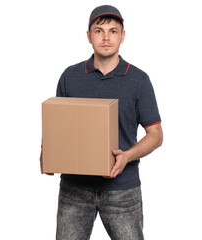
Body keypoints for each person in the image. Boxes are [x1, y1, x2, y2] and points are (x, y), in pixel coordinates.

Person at [40, 5, 163, 240]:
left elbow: (156, 135)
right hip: (74, 189)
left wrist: (126, 156)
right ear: (88, 36)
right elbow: (57, 125)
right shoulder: (70, 76)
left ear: (123, 36)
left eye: (113, 31)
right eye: (99, 31)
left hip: (123, 190)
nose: (106, 38)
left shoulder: (139, 80)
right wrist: (48, 152)